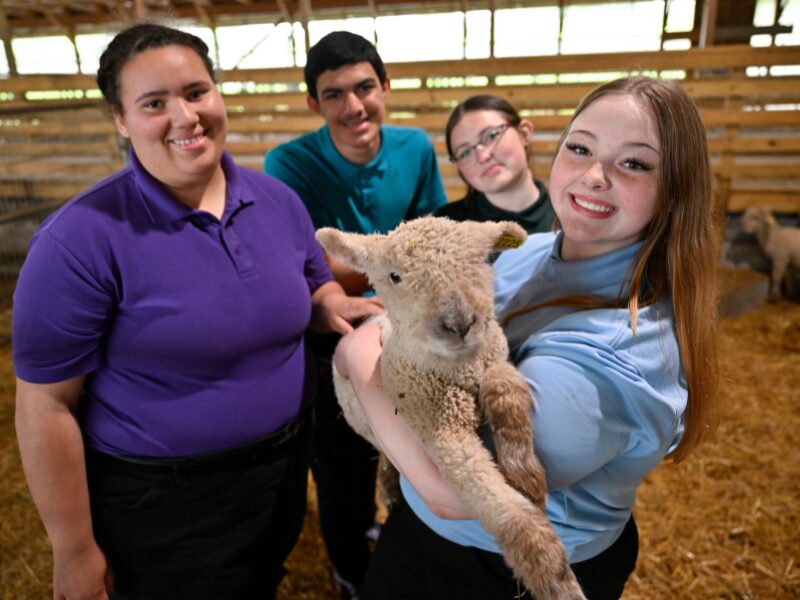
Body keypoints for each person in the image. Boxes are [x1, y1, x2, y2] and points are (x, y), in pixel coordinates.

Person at [12, 23, 381, 600]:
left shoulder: (276, 202)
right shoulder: (79, 240)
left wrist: (332, 303)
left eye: (195, 92)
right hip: (166, 504)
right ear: (120, 119)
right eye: (154, 103)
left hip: (284, 469)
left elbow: (313, 285)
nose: (185, 117)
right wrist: (74, 549)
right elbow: (45, 405)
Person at [333, 76, 721, 600]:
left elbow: (453, 490)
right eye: (580, 148)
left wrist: (359, 356)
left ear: (676, 189)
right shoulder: (530, 250)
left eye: (634, 162)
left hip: (507, 568)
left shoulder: (622, 348)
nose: (593, 175)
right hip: (418, 526)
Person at [264, 30, 447, 599]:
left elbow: (434, 238)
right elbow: (309, 268)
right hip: (331, 329)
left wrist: (362, 262)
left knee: (419, 440)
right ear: (313, 103)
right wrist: (397, 258)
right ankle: (350, 565)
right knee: (341, 460)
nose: (354, 106)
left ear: (385, 86)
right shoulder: (289, 163)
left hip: (407, 323)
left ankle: (406, 535)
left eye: (364, 87)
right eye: (334, 94)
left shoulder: (414, 148)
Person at [435, 94, 555, 235]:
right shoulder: (443, 230)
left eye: (491, 136)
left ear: (524, 133)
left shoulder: (567, 218)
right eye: (465, 152)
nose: (483, 157)